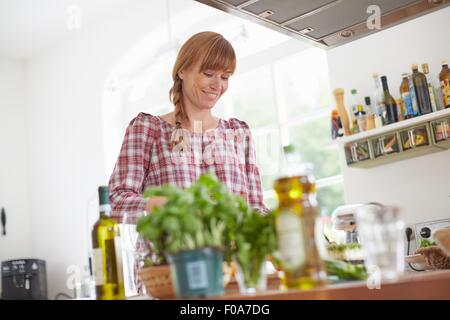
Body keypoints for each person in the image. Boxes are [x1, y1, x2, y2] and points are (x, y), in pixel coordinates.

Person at [108, 31, 268, 222]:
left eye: (225, 77)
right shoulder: (148, 129)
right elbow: (115, 203)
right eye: (208, 74)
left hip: (231, 252)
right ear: (182, 71)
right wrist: (168, 205)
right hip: (168, 252)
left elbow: (256, 207)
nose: (217, 85)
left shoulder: (238, 133)